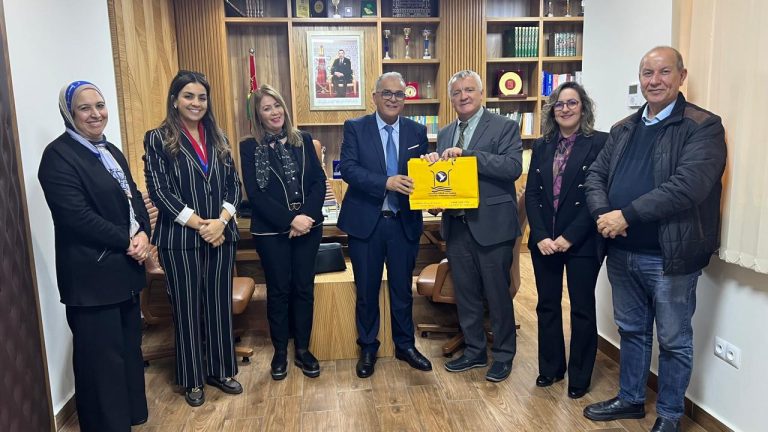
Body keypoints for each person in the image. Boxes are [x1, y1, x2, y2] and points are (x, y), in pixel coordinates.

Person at [583, 46, 726, 432]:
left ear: (682, 76)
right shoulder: (623, 128)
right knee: (631, 330)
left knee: (674, 339)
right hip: (621, 250)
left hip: (670, 256)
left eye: (664, 72)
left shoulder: (703, 126)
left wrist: (625, 215)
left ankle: (670, 415)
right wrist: (603, 215)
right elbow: (595, 176)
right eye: (648, 73)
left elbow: (688, 187)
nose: (655, 80)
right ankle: (631, 399)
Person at [38, 81, 149, 431]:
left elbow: (134, 197)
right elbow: (76, 217)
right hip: (91, 279)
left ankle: (129, 418)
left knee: (127, 352)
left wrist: (143, 233)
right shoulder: (57, 156)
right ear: (69, 113)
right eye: (84, 108)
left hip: (125, 272)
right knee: (101, 363)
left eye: (99, 105)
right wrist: (127, 240)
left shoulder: (110, 150)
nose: (95, 114)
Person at [143, 70, 243, 407]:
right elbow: (160, 191)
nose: (196, 103)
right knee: (186, 309)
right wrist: (202, 225)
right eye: (188, 96)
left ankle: (220, 370)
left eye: (202, 97)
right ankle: (193, 378)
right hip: (180, 239)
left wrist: (222, 221)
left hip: (221, 235)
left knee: (218, 305)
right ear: (175, 100)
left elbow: (234, 186)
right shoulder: (157, 139)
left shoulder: (219, 137)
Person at [423, 70, 523, 382]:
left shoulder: (504, 126)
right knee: (466, 294)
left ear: (481, 94)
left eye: (469, 90)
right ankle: (474, 351)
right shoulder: (445, 132)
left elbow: (512, 167)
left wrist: (468, 156)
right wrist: (435, 198)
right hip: (457, 226)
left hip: (492, 226)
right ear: (450, 98)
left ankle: (503, 355)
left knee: (496, 295)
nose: (463, 96)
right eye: (457, 92)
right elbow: (447, 179)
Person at [338, 71, 432, 378]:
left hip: (403, 222)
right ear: (375, 97)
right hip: (367, 223)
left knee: (402, 289)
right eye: (387, 93)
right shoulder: (355, 127)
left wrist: (432, 182)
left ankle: (405, 345)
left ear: (405, 98)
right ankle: (368, 347)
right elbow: (348, 169)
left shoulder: (417, 131)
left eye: (399, 94)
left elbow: (421, 174)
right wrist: (386, 182)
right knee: (366, 290)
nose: (393, 99)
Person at [525, 82, 607, 399]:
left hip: (581, 241)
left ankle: (580, 376)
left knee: (582, 308)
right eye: (559, 104)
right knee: (546, 305)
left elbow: (597, 196)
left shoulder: (600, 143)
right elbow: (532, 194)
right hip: (544, 242)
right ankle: (551, 368)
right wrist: (541, 236)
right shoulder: (542, 145)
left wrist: (569, 237)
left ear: (583, 108)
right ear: (552, 110)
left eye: (572, 103)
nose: (565, 109)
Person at [239, 84, 326, 380]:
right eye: (267, 108)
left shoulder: (303, 140)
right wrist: (291, 220)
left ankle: (302, 349)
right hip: (271, 231)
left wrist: (306, 217)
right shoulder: (249, 147)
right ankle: (279, 352)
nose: (274, 112)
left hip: (309, 227)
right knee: (278, 291)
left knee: (303, 288)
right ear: (258, 115)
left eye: (277, 105)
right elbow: (256, 194)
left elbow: (318, 182)